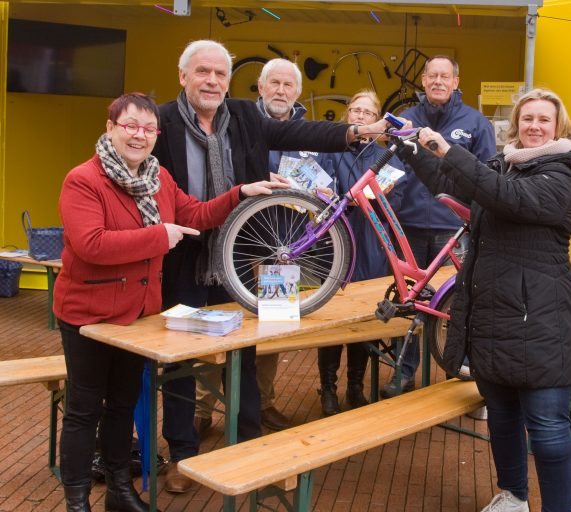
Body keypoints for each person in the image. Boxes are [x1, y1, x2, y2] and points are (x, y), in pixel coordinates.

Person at [152, 40, 390, 494]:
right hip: (183, 257)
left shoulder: (242, 116)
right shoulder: (162, 123)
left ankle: (248, 447)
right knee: (180, 359)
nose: (213, 81)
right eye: (203, 72)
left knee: (245, 352)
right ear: (183, 76)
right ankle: (180, 455)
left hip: (241, 256)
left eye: (220, 74)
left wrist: (358, 132)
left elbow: (300, 134)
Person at [54, 92, 287, 512]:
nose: (139, 135)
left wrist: (239, 193)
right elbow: (91, 245)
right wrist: (160, 236)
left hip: (136, 317)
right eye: (130, 126)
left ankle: (121, 492)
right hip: (88, 317)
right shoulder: (84, 180)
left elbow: (194, 214)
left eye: (148, 128)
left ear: (155, 135)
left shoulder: (158, 178)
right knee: (84, 408)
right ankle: (76, 502)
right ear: (111, 128)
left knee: (123, 405)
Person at [400, 88, 571, 512]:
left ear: (558, 127)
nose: (534, 126)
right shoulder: (502, 167)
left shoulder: (561, 177)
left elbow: (506, 197)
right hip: (493, 317)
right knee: (502, 419)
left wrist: (450, 150)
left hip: (538, 319)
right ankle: (514, 496)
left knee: (549, 432)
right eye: (527, 118)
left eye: (543, 119)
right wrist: (406, 145)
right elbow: (452, 182)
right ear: (516, 124)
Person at [191, 58, 307, 434]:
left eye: (288, 85)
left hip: (282, 249)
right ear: (259, 86)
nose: (281, 91)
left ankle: (263, 403)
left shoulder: (307, 134)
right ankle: (202, 407)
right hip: (231, 245)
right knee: (213, 327)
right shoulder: (237, 122)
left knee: (271, 327)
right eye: (274, 83)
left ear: (298, 92)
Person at [381, 55, 497, 398]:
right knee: (410, 302)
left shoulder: (476, 123)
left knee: (458, 304)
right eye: (432, 75)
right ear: (423, 79)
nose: (438, 81)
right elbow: (393, 170)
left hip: (453, 229)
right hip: (410, 227)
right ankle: (404, 371)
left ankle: (455, 370)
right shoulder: (409, 120)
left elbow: (486, 175)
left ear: (456, 81)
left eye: (445, 76)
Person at [317, 90, 408, 416]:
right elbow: (315, 186)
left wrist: (378, 199)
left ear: (378, 121)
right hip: (335, 242)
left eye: (367, 112)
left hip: (370, 244)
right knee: (329, 320)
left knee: (362, 319)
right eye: (354, 110)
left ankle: (355, 385)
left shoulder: (389, 159)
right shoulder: (330, 149)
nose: (358, 116)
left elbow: (396, 206)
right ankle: (327, 387)